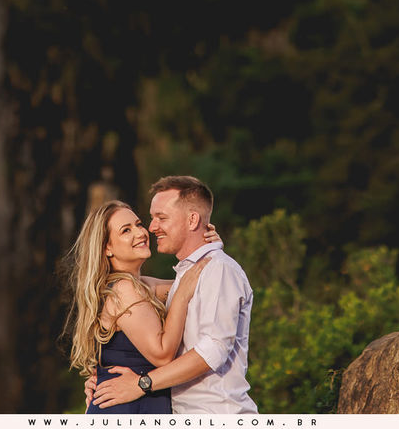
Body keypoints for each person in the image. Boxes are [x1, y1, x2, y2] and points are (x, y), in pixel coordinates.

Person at [90, 175, 258, 413]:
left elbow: (213, 349)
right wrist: (103, 375)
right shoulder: (181, 278)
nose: (149, 228)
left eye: (161, 218)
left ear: (192, 220)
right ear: (106, 247)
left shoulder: (216, 270)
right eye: (128, 229)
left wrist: (141, 383)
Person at [65, 199, 213, 414]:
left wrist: (210, 247)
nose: (140, 233)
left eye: (138, 224)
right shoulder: (123, 290)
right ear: (107, 247)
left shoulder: (142, 286)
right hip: (128, 409)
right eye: (126, 230)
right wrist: (181, 297)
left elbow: (201, 282)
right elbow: (162, 355)